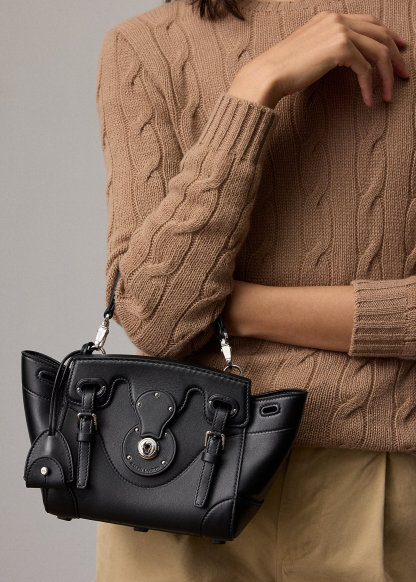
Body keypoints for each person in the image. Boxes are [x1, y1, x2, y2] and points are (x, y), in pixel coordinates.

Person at [95, 0, 416, 579]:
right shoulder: (144, 47)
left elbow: (171, 309)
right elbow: (153, 318)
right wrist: (254, 88)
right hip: (176, 471)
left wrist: (228, 307)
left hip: (384, 481)